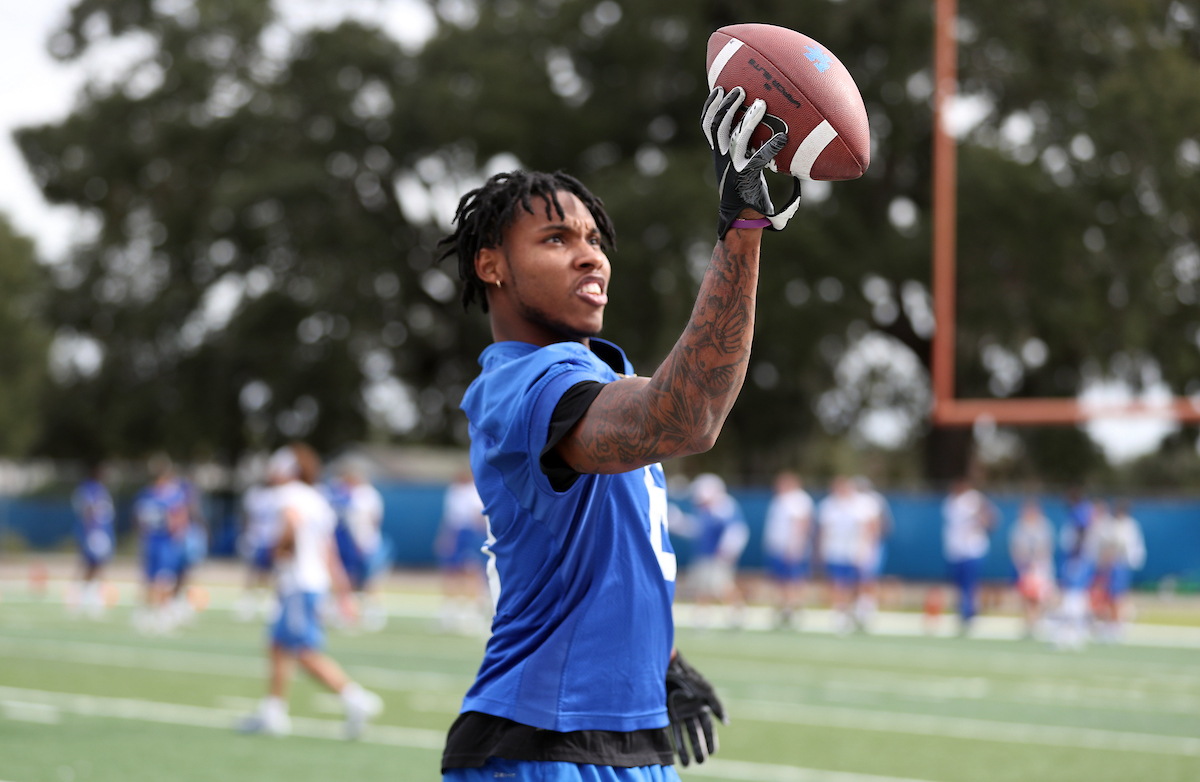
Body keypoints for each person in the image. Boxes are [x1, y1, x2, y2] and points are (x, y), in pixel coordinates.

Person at [437, 82, 796, 781]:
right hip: (540, 743)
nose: (591, 255)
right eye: (556, 238)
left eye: (595, 240)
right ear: (491, 266)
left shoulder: (598, 372)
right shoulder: (521, 385)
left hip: (623, 735)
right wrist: (743, 228)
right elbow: (688, 415)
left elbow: (604, 546)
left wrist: (657, 655)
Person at [238, 443, 383, 739]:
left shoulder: (288, 495)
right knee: (277, 644)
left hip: (298, 582)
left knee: (302, 649)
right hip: (312, 581)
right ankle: (273, 711)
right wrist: (341, 590)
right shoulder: (317, 497)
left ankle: (355, 698)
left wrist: (277, 554)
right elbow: (328, 550)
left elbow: (291, 524)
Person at [326, 458, 391, 631]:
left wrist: (364, 541)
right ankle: (348, 611)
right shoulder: (345, 493)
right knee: (349, 578)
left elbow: (374, 520)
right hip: (351, 543)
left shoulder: (368, 494)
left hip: (367, 543)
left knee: (372, 579)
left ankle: (373, 612)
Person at [132, 455, 190, 633]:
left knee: (158, 580)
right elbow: (179, 519)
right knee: (158, 580)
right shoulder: (161, 495)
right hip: (160, 541)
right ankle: (157, 613)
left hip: (157, 541)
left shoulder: (151, 495)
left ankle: (154, 612)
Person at [816, 476, 878, 635]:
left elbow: (871, 527)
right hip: (836, 550)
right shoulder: (828, 504)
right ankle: (840, 614)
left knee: (859, 584)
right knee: (837, 583)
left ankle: (861, 611)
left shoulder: (863, 503)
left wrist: (866, 548)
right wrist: (821, 549)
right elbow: (824, 529)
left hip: (856, 551)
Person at [687, 473, 749, 624]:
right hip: (704, 553)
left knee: (722, 586)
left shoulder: (725, 506)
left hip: (718, 555)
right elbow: (698, 530)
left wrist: (728, 551)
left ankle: (737, 612)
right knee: (702, 586)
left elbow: (737, 530)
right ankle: (702, 614)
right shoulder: (707, 510)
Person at [435, 469, 489, 634]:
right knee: (452, 570)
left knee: (472, 570)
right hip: (456, 532)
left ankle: (474, 610)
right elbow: (449, 518)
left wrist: (476, 539)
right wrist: (446, 536)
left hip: (470, 533)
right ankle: (450, 609)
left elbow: (478, 516)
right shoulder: (454, 491)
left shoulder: (476, 490)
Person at [235, 464, 289, 622]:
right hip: (256, 537)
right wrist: (245, 534)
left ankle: (273, 602)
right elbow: (247, 516)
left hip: (273, 537)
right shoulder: (255, 494)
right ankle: (247, 601)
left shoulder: (282, 494)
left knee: (275, 572)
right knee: (252, 571)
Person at [942, 478, 996, 634]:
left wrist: (980, 524)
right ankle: (961, 613)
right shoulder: (949, 502)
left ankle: (970, 614)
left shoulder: (974, 499)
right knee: (958, 585)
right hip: (955, 551)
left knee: (970, 584)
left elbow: (991, 518)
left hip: (972, 550)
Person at [1087, 499, 1146, 642]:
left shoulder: (1130, 526)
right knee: (1108, 595)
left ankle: (1118, 624)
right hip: (1111, 565)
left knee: (1118, 596)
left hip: (1121, 564)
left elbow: (1129, 548)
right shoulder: (1111, 525)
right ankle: (1111, 623)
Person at [761, 471, 813, 628]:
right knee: (779, 580)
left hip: (790, 547)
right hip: (777, 547)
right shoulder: (779, 500)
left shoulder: (799, 499)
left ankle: (794, 610)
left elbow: (802, 523)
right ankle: (782, 608)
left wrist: (795, 545)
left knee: (793, 579)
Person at [71, 462, 115, 618]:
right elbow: (88, 510)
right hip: (93, 532)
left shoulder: (101, 489)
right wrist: (91, 532)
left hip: (102, 531)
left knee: (98, 565)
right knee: (88, 564)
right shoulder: (89, 488)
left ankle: (91, 597)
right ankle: (78, 597)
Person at [1054, 489, 1096, 649]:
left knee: (1073, 594)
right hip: (1077, 556)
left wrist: (1076, 555)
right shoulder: (1080, 511)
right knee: (1075, 594)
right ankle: (1077, 630)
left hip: (1077, 557)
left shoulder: (1080, 511)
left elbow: (1081, 532)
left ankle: (1072, 632)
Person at [1008, 498, 1055, 638]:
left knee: (1039, 597)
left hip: (1040, 567)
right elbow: (1015, 548)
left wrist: (1036, 562)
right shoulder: (1019, 526)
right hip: (1024, 568)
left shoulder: (1044, 526)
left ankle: (1037, 621)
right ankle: (1028, 623)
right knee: (1025, 596)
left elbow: (1046, 548)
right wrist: (1022, 564)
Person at [853, 476, 890, 630]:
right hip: (852, 546)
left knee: (869, 577)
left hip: (870, 546)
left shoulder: (875, 501)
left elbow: (882, 526)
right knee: (854, 578)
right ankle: (857, 607)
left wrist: (872, 543)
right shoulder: (852, 501)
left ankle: (868, 608)